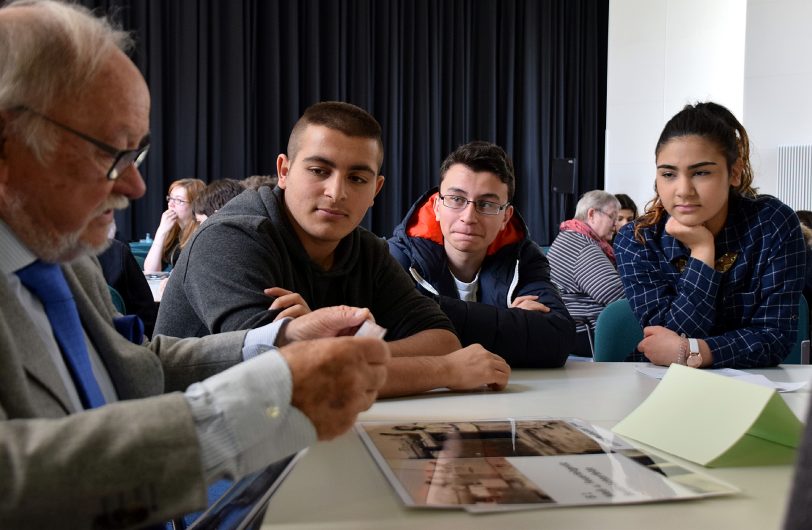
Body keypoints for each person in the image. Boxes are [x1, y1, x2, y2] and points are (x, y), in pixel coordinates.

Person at [0, 2, 389, 527]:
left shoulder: (61, 253)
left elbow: (133, 365)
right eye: (110, 155)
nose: (135, 186)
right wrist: (256, 402)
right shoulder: (230, 234)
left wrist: (276, 343)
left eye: (135, 155)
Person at [155, 102, 511, 397]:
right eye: (319, 170)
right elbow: (286, 376)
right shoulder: (232, 237)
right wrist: (442, 371)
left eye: (357, 178)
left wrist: (344, 354)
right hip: (198, 459)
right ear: (284, 170)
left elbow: (441, 337)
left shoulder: (366, 249)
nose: (336, 192)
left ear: (376, 188)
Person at [615, 102, 806, 368]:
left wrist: (697, 351)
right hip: (658, 384)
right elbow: (664, 341)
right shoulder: (637, 239)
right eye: (668, 174)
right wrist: (702, 253)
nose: (683, 190)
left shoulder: (771, 224)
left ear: (734, 172)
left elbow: (775, 337)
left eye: (701, 172)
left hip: (752, 387)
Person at [387, 141, 574, 367]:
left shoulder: (524, 258)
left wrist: (425, 316)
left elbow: (555, 339)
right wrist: (510, 320)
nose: (468, 217)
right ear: (436, 206)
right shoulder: (395, 255)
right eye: (456, 199)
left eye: (486, 204)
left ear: (505, 217)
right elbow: (388, 328)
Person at [546, 190, 625, 357]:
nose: (615, 224)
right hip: (586, 335)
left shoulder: (570, 237)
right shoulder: (582, 246)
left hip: (573, 332)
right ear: (592, 214)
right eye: (613, 217)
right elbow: (616, 295)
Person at [143, 177, 205, 272]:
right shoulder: (172, 229)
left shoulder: (200, 235)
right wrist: (161, 232)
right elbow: (150, 271)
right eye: (170, 198)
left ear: (195, 205)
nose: (171, 204)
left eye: (179, 200)